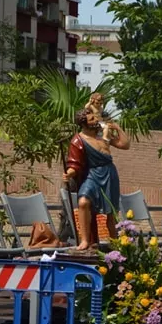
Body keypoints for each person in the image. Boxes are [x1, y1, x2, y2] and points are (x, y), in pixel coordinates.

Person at [63, 98, 131, 251]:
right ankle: (85, 240)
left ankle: (116, 244)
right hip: (92, 175)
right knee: (83, 202)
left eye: (95, 117)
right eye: (92, 118)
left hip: (109, 174)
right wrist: (69, 173)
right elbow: (74, 162)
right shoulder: (78, 140)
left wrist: (117, 127)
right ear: (84, 123)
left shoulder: (103, 136)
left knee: (111, 214)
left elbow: (125, 144)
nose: (96, 119)